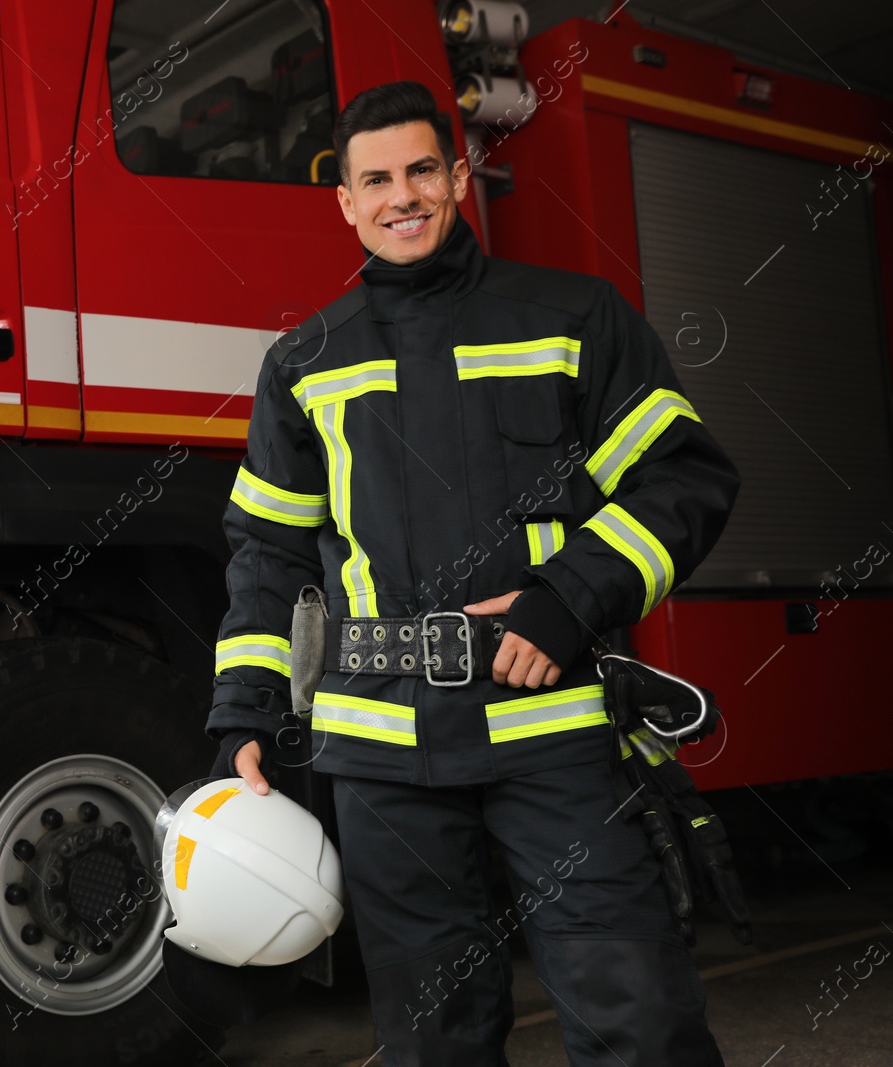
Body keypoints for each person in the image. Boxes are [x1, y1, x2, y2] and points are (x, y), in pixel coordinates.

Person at [206, 80, 739, 1066]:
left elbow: (683, 475)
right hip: (378, 753)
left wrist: (567, 596)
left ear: (456, 176)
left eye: (420, 170)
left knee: (644, 1022)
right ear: (346, 201)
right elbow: (269, 550)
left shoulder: (572, 315)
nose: (401, 195)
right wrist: (243, 711)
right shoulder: (302, 361)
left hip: (549, 734)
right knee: (430, 1044)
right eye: (376, 180)